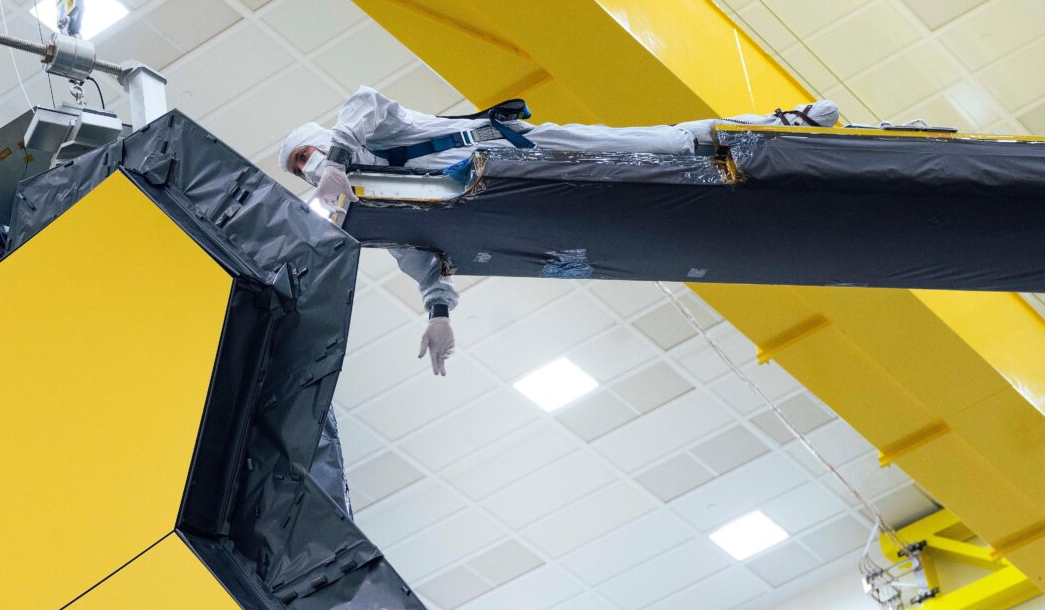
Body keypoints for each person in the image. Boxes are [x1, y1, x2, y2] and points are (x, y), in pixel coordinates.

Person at [282, 87, 840, 378]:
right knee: (646, 191)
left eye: (306, 154)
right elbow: (420, 260)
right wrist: (438, 315)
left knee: (655, 145)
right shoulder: (376, 208)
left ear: (321, 139)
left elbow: (366, 102)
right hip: (527, 200)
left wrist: (340, 152)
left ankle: (782, 125)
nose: (307, 167)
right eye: (298, 168)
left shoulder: (375, 139)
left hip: (521, 152)